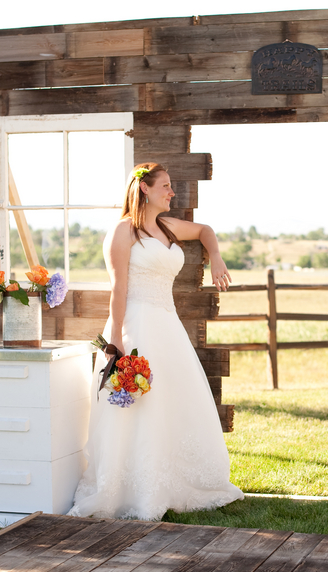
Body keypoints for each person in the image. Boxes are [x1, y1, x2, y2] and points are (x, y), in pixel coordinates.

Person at [68, 162, 243, 521]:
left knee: (173, 402)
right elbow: (119, 289)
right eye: (165, 186)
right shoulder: (123, 232)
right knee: (137, 405)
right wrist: (115, 341)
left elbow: (206, 230)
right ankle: (132, 488)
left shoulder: (167, 226)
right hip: (137, 325)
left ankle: (172, 481)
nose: (172, 192)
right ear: (145, 189)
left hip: (168, 325)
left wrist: (217, 260)